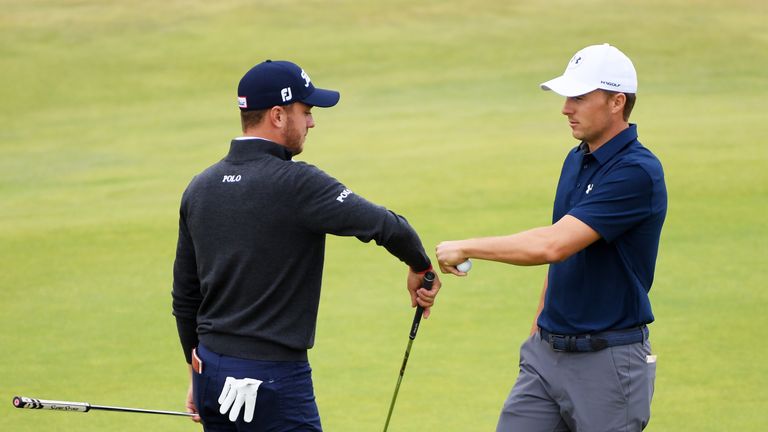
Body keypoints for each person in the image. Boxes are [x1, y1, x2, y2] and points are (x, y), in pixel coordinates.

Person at [172, 59, 441, 431]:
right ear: (278, 115)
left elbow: (185, 297)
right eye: (307, 111)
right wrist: (421, 266)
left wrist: (197, 375)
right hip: (272, 379)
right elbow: (387, 226)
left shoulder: (199, 187)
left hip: (212, 373)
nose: (312, 122)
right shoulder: (298, 183)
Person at [436, 43, 666, 431]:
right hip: (546, 357)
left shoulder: (637, 172)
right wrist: (536, 337)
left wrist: (467, 246)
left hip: (607, 363)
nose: (565, 108)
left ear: (617, 102)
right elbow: (564, 254)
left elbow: (552, 244)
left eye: (579, 98)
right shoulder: (577, 159)